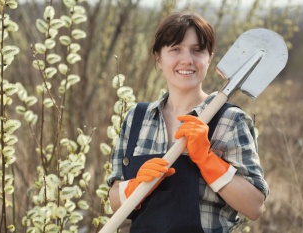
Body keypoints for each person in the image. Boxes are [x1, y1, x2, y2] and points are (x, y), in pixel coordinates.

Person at [107, 12, 269, 233]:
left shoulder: (230, 121)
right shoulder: (137, 118)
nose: (187, 60)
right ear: (158, 57)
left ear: (209, 58)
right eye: (175, 49)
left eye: (197, 50)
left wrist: (207, 159)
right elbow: (115, 201)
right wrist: (135, 187)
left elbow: (254, 206)